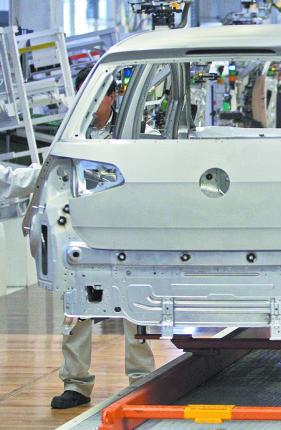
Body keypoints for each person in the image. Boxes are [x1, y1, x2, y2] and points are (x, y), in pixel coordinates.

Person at [50, 66, 155, 409]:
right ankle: (76, 384)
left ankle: (142, 379)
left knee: (134, 308)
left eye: (96, 97)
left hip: (126, 232)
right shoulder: (71, 133)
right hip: (83, 233)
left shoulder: (136, 132)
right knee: (75, 310)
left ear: (112, 97)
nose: (89, 103)